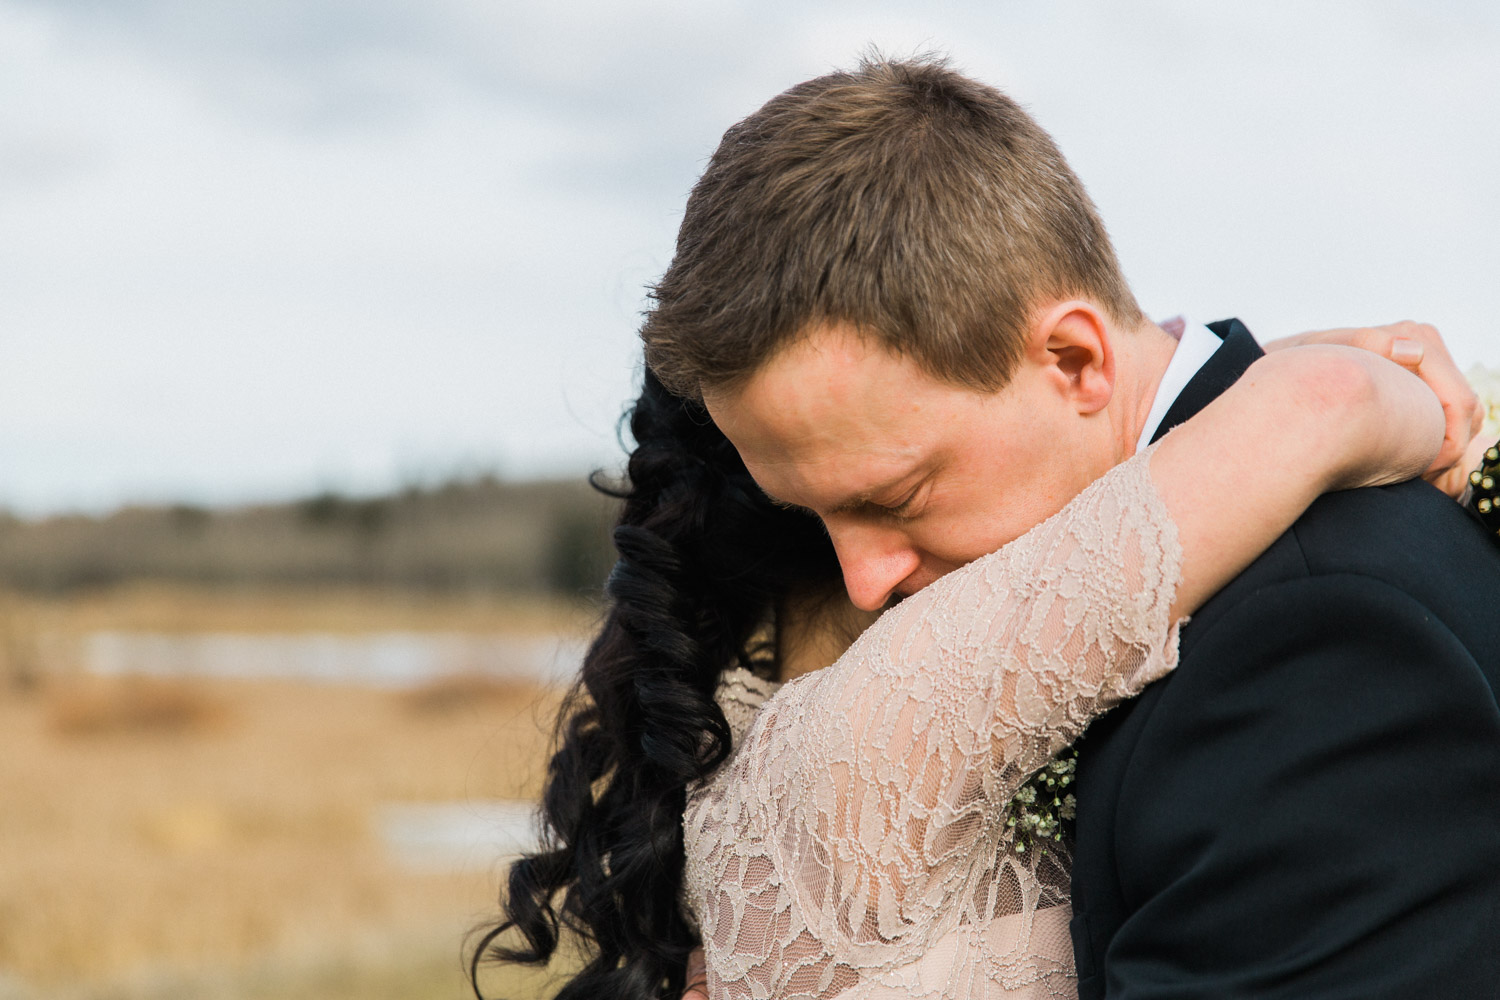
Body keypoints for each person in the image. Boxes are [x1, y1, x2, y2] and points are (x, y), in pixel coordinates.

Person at [475, 57, 1500, 999]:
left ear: (1076, 361)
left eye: (897, 494)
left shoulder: (1314, 632)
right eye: (812, 514)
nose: (864, 578)